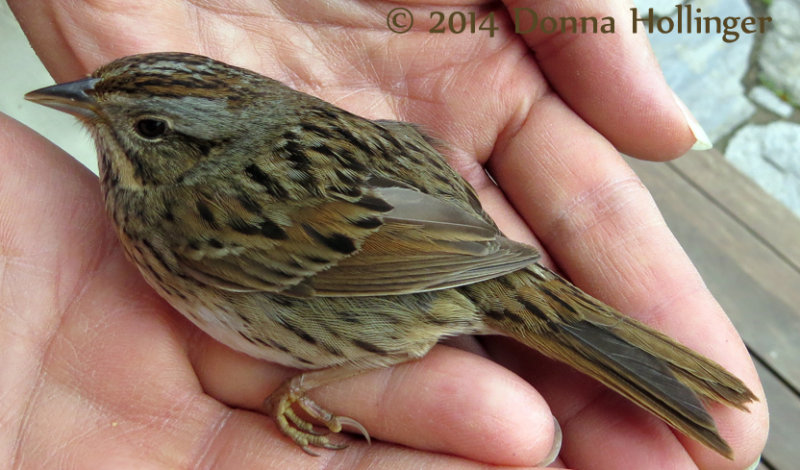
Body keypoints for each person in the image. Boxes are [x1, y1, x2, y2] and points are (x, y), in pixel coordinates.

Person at [1, 1, 766, 468]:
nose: (78, 102)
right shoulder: (194, 182)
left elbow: (356, 262)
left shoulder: (184, 221)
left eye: (148, 126)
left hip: (403, 282)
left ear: (196, 145)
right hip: (435, 219)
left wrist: (305, 384)